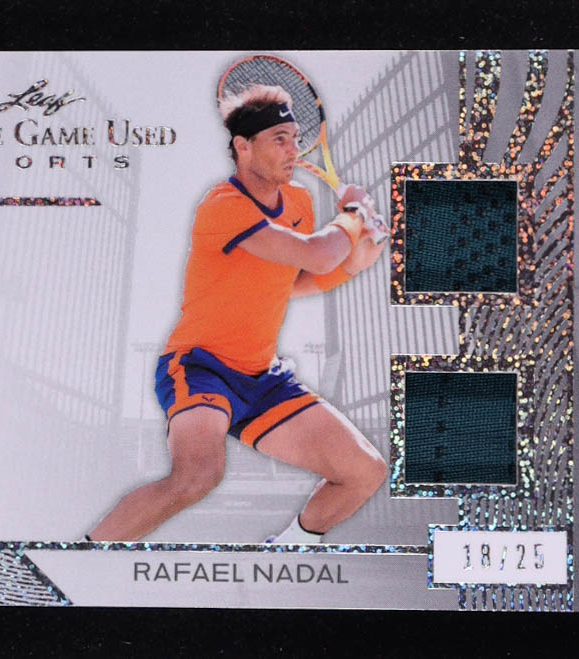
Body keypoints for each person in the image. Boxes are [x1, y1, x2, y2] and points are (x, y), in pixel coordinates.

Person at [88, 84, 387, 544]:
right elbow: (317, 253)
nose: (293, 149)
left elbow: (293, 280)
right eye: (279, 139)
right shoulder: (222, 207)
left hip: (264, 378)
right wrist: (352, 214)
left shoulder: (300, 203)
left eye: (295, 138)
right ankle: (86, 556)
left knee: (364, 471)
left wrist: (356, 261)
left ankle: (285, 552)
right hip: (199, 367)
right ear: (243, 147)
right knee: (197, 477)